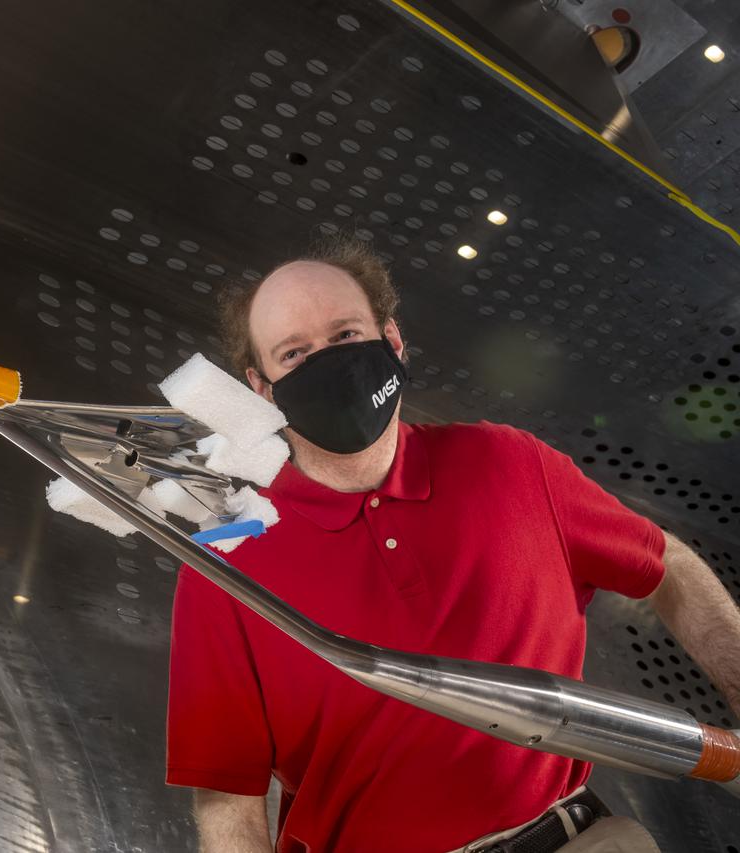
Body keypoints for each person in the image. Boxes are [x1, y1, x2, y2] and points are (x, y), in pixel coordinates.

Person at [164, 235, 740, 853]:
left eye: (345, 336)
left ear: (393, 340)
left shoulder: (510, 464)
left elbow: (666, 564)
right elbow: (228, 794)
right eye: (295, 352)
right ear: (260, 388)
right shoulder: (226, 562)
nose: (327, 363)